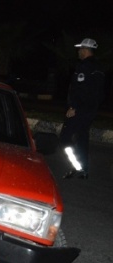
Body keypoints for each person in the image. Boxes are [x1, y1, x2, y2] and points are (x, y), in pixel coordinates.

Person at [60, 38, 105, 179]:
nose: (78, 51)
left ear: (85, 50)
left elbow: (82, 90)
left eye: (80, 49)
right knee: (82, 138)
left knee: (65, 138)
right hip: (90, 110)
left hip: (80, 110)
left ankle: (77, 166)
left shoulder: (84, 67)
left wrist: (74, 107)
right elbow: (99, 92)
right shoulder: (98, 68)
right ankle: (82, 169)